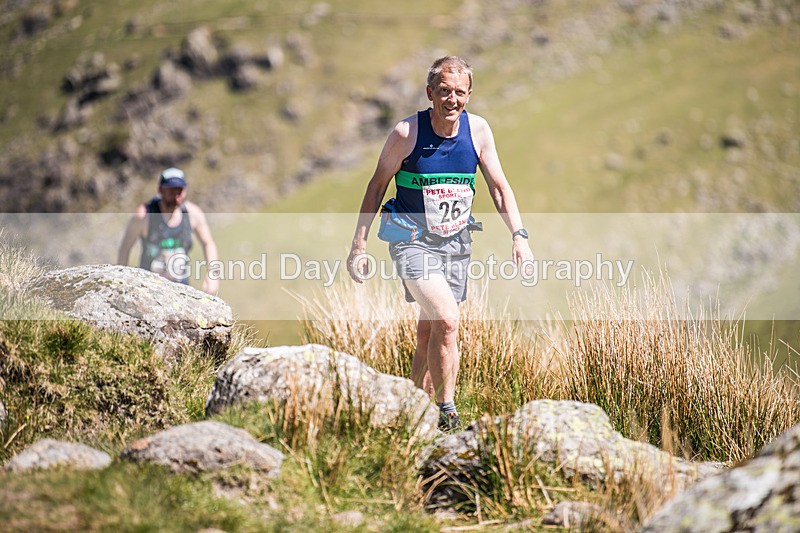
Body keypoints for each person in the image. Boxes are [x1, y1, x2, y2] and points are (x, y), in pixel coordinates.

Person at [347, 56, 533, 431]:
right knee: (448, 320)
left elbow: (499, 187)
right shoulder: (406, 133)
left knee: (430, 330)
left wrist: (519, 236)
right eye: (444, 91)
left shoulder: (478, 130)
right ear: (430, 92)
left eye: (460, 92)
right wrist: (359, 246)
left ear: (469, 94)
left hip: (456, 243)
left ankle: (411, 412)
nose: (452, 99)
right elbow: (376, 186)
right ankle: (447, 412)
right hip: (410, 240)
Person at [117, 167, 220, 294]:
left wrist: (213, 275)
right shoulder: (144, 216)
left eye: (179, 191)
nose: (176, 196)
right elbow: (125, 248)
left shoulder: (193, 214)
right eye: (171, 191)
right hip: (148, 291)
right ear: (160, 190)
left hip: (181, 290)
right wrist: (121, 281)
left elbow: (208, 243)